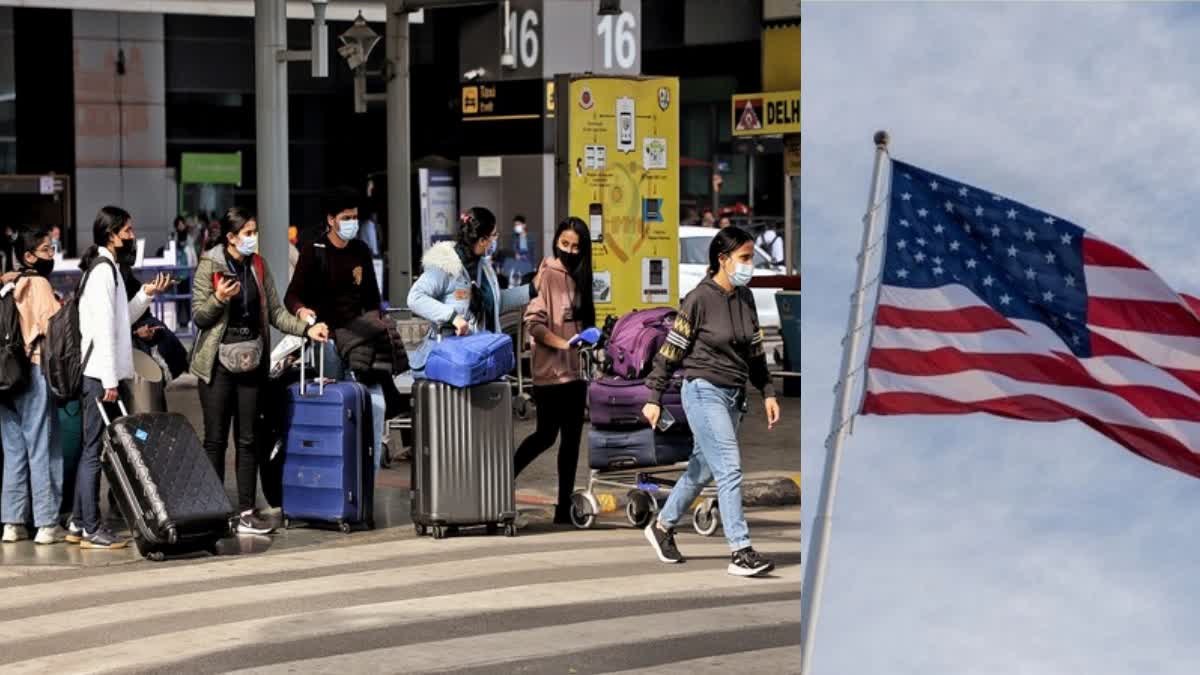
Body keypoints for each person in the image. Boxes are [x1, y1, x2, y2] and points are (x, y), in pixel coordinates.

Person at [641, 226, 781, 577]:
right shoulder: (698, 299)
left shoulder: (745, 298)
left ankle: (662, 526)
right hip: (702, 390)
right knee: (730, 468)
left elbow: (755, 352)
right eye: (744, 258)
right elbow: (671, 350)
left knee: (702, 468)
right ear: (723, 259)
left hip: (734, 394)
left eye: (751, 257)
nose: (749, 265)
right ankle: (740, 550)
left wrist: (767, 391)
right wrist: (654, 395)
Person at [192, 207, 329, 534]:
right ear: (231, 238)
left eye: (255, 231)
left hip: (252, 360)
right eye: (248, 233)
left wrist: (305, 329)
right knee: (215, 440)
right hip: (217, 364)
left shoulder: (258, 265)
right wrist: (219, 299)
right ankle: (215, 512)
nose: (254, 238)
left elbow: (277, 313)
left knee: (248, 439)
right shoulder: (209, 265)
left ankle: (244, 512)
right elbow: (199, 317)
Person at [71, 206, 172, 549]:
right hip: (100, 375)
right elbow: (102, 331)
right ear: (111, 234)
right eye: (127, 231)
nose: (132, 236)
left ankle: (76, 522)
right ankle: (90, 528)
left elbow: (119, 319)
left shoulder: (108, 268)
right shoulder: (102, 272)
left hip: (102, 373)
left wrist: (145, 295)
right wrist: (111, 380)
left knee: (94, 448)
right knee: (94, 450)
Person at [285, 188, 389, 471]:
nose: (352, 223)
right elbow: (292, 295)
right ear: (331, 219)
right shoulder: (314, 251)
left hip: (359, 342)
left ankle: (367, 475)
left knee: (374, 405)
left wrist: (373, 324)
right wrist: (303, 312)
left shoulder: (361, 251)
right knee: (336, 409)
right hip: (327, 343)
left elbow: (372, 298)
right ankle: (337, 472)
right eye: (346, 217)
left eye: (355, 217)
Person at [513, 217, 594, 525]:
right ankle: (501, 479)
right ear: (556, 242)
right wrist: (563, 344)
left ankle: (563, 508)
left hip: (575, 372)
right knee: (546, 435)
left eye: (576, 246)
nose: (570, 251)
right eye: (565, 244)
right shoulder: (547, 273)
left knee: (572, 440)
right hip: (550, 372)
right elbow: (533, 324)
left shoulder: (581, 275)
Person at [0, 227, 66, 545]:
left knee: (14, 451)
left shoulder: (7, 283)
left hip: (4, 376)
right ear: (29, 256)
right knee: (43, 446)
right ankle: (46, 522)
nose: (51, 255)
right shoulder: (39, 283)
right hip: (33, 369)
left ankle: (12, 522)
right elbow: (55, 328)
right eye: (46, 249)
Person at [408, 206, 536, 366]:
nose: (496, 240)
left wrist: (532, 290)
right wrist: (452, 317)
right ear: (482, 241)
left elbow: (495, 303)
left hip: (483, 358)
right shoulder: (445, 266)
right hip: (453, 362)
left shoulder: (484, 266)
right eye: (494, 235)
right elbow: (415, 297)